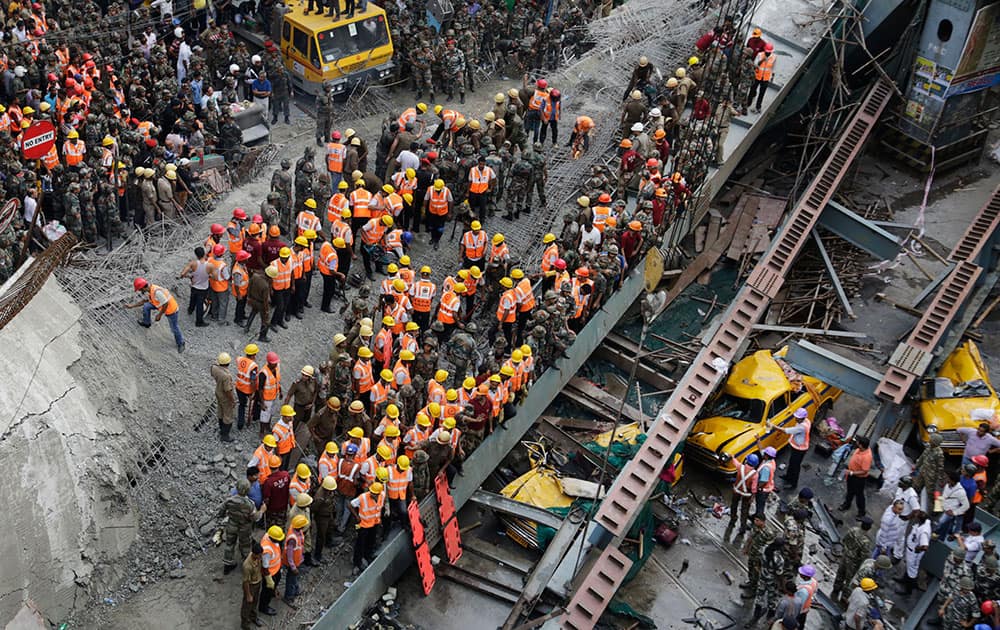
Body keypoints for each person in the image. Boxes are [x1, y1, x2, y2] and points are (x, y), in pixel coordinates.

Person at [126, 277, 185, 353]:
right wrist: (132, 306)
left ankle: (181, 343)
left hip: (171, 310)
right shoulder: (150, 290)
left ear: (143, 288)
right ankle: (147, 323)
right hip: (160, 305)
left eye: (140, 290)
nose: (140, 292)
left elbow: (166, 303)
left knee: (174, 328)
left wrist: (159, 315)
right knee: (146, 306)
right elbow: (145, 301)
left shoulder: (156, 292)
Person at [832, 516, 873, 599]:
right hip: (853, 563)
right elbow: (864, 556)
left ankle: (836, 589)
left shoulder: (853, 530)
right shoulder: (866, 541)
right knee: (849, 580)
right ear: (869, 528)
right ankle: (845, 596)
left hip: (845, 556)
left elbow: (844, 540)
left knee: (840, 573)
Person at [350, 481, 385, 575]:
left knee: (371, 541)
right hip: (364, 525)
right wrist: (357, 517)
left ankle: (367, 557)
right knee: (360, 544)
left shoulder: (382, 495)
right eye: (371, 493)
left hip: (374, 523)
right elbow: (350, 505)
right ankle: (357, 563)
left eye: (374, 494)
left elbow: (379, 507)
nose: (372, 495)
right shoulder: (363, 497)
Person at [770, 407, 810, 489]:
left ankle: (793, 484)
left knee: (795, 466)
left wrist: (774, 427)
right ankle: (788, 477)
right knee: (792, 463)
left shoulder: (802, 427)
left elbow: (786, 430)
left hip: (799, 449)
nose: (796, 419)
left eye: (798, 418)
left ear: (802, 418)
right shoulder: (806, 421)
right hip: (796, 446)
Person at [897, 510, 931, 594]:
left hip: (914, 553)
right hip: (910, 550)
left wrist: (917, 549)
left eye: (917, 516)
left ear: (919, 519)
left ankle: (908, 590)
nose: (915, 516)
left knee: (912, 571)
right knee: (909, 567)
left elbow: (925, 547)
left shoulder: (924, 531)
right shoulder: (925, 522)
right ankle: (904, 580)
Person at [838, 435, 872, 517]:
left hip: (858, 479)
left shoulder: (867, 457)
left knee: (859, 495)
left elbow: (864, 471)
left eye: (858, 442)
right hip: (851, 475)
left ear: (861, 445)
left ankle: (861, 512)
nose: (856, 443)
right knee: (850, 491)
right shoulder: (860, 449)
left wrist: (852, 473)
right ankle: (847, 504)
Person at [727, 453, 758, 539]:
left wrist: (732, 457)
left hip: (736, 490)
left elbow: (735, 462)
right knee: (744, 511)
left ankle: (733, 518)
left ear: (747, 460)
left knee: (734, 505)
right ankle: (742, 527)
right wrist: (752, 498)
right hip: (747, 494)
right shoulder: (755, 474)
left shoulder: (740, 467)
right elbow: (754, 488)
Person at [258, 525, 284, 616]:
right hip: (270, 573)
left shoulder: (269, 535)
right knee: (267, 591)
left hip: (276, 570)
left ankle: (272, 592)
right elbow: (265, 568)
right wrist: (269, 580)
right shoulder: (267, 551)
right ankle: (263, 607)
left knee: (274, 585)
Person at [937, 469, 971, 538]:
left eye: (947, 478)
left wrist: (955, 512)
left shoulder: (961, 492)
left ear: (952, 480)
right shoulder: (947, 485)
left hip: (950, 511)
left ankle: (938, 534)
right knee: (944, 525)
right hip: (944, 507)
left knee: (941, 522)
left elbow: (966, 506)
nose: (946, 479)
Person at [283, 514, 308, 604]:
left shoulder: (297, 530)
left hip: (297, 560)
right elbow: (289, 555)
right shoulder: (292, 539)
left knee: (294, 578)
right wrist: (293, 567)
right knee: (291, 580)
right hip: (292, 563)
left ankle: (296, 590)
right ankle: (288, 596)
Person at [212, 352, 237, 442]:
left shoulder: (214, 368)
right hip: (225, 397)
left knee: (220, 410)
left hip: (218, 393)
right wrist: (232, 401)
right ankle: (225, 435)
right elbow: (228, 391)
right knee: (228, 415)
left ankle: (221, 428)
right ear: (228, 363)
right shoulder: (226, 376)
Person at [241, 541, 263, 630]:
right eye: (259, 555)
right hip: (251, 586)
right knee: (247, 604)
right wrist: (248, 594)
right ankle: (245, 623)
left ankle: (253, 617)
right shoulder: (247, 566)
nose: (260, 557)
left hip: (258, 582)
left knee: (255, 602)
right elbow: (245, 582)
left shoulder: (257, 558)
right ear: (254, 554)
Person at [747, 43, 775, 113]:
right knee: (752, 90)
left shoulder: (774, 57)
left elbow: (773, 68)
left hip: (765, 78)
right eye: (766, 52)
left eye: (769, 52)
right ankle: (748, 103)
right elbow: (756, 65)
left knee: (762, 93)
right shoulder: (760, 55)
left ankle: (758, 106)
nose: (767, 53)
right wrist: (762, 60)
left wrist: (772, 77)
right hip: (757, 76)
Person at [755, 445, 777, 515]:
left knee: (760, 505)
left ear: (767, 456)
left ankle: (758, 518)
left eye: (765, 454)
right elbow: (761, 451)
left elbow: (764, 481)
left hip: (763, 490)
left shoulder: (766, 468)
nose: (763, 454)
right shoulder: (771, 461)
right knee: (760, 504)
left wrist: (756, 488)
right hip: (768, 487)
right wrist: (758, 440)